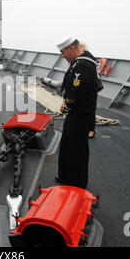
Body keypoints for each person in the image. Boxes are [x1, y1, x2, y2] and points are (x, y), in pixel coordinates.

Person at [55, 36, 98, 189]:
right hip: (76, 113)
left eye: (63, 52)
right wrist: (67, 102)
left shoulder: (84, 65)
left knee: (78, 151)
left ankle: (77, 185)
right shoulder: (79, 63)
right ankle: (66, 177)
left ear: (71, 48)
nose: (62, 55)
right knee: (67, 145)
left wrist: (67, 104)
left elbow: (76, 90)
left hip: (81, 114)